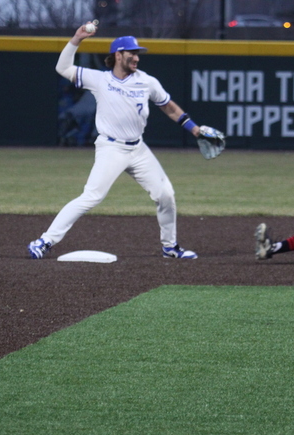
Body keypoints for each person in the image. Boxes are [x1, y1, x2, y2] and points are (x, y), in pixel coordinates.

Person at [28, 26, 208, 260]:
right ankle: (44, 241)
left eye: (137, 53)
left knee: (166, 194)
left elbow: (168, 106)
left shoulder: (147, 81)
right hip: (111, 148)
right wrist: (77, 39)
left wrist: (194, 129)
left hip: (138, 149)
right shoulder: (100, 80)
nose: (136, 57)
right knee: (91, 197)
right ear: (118, 55)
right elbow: (62, 68)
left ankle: (170, 247)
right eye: (132, 53)